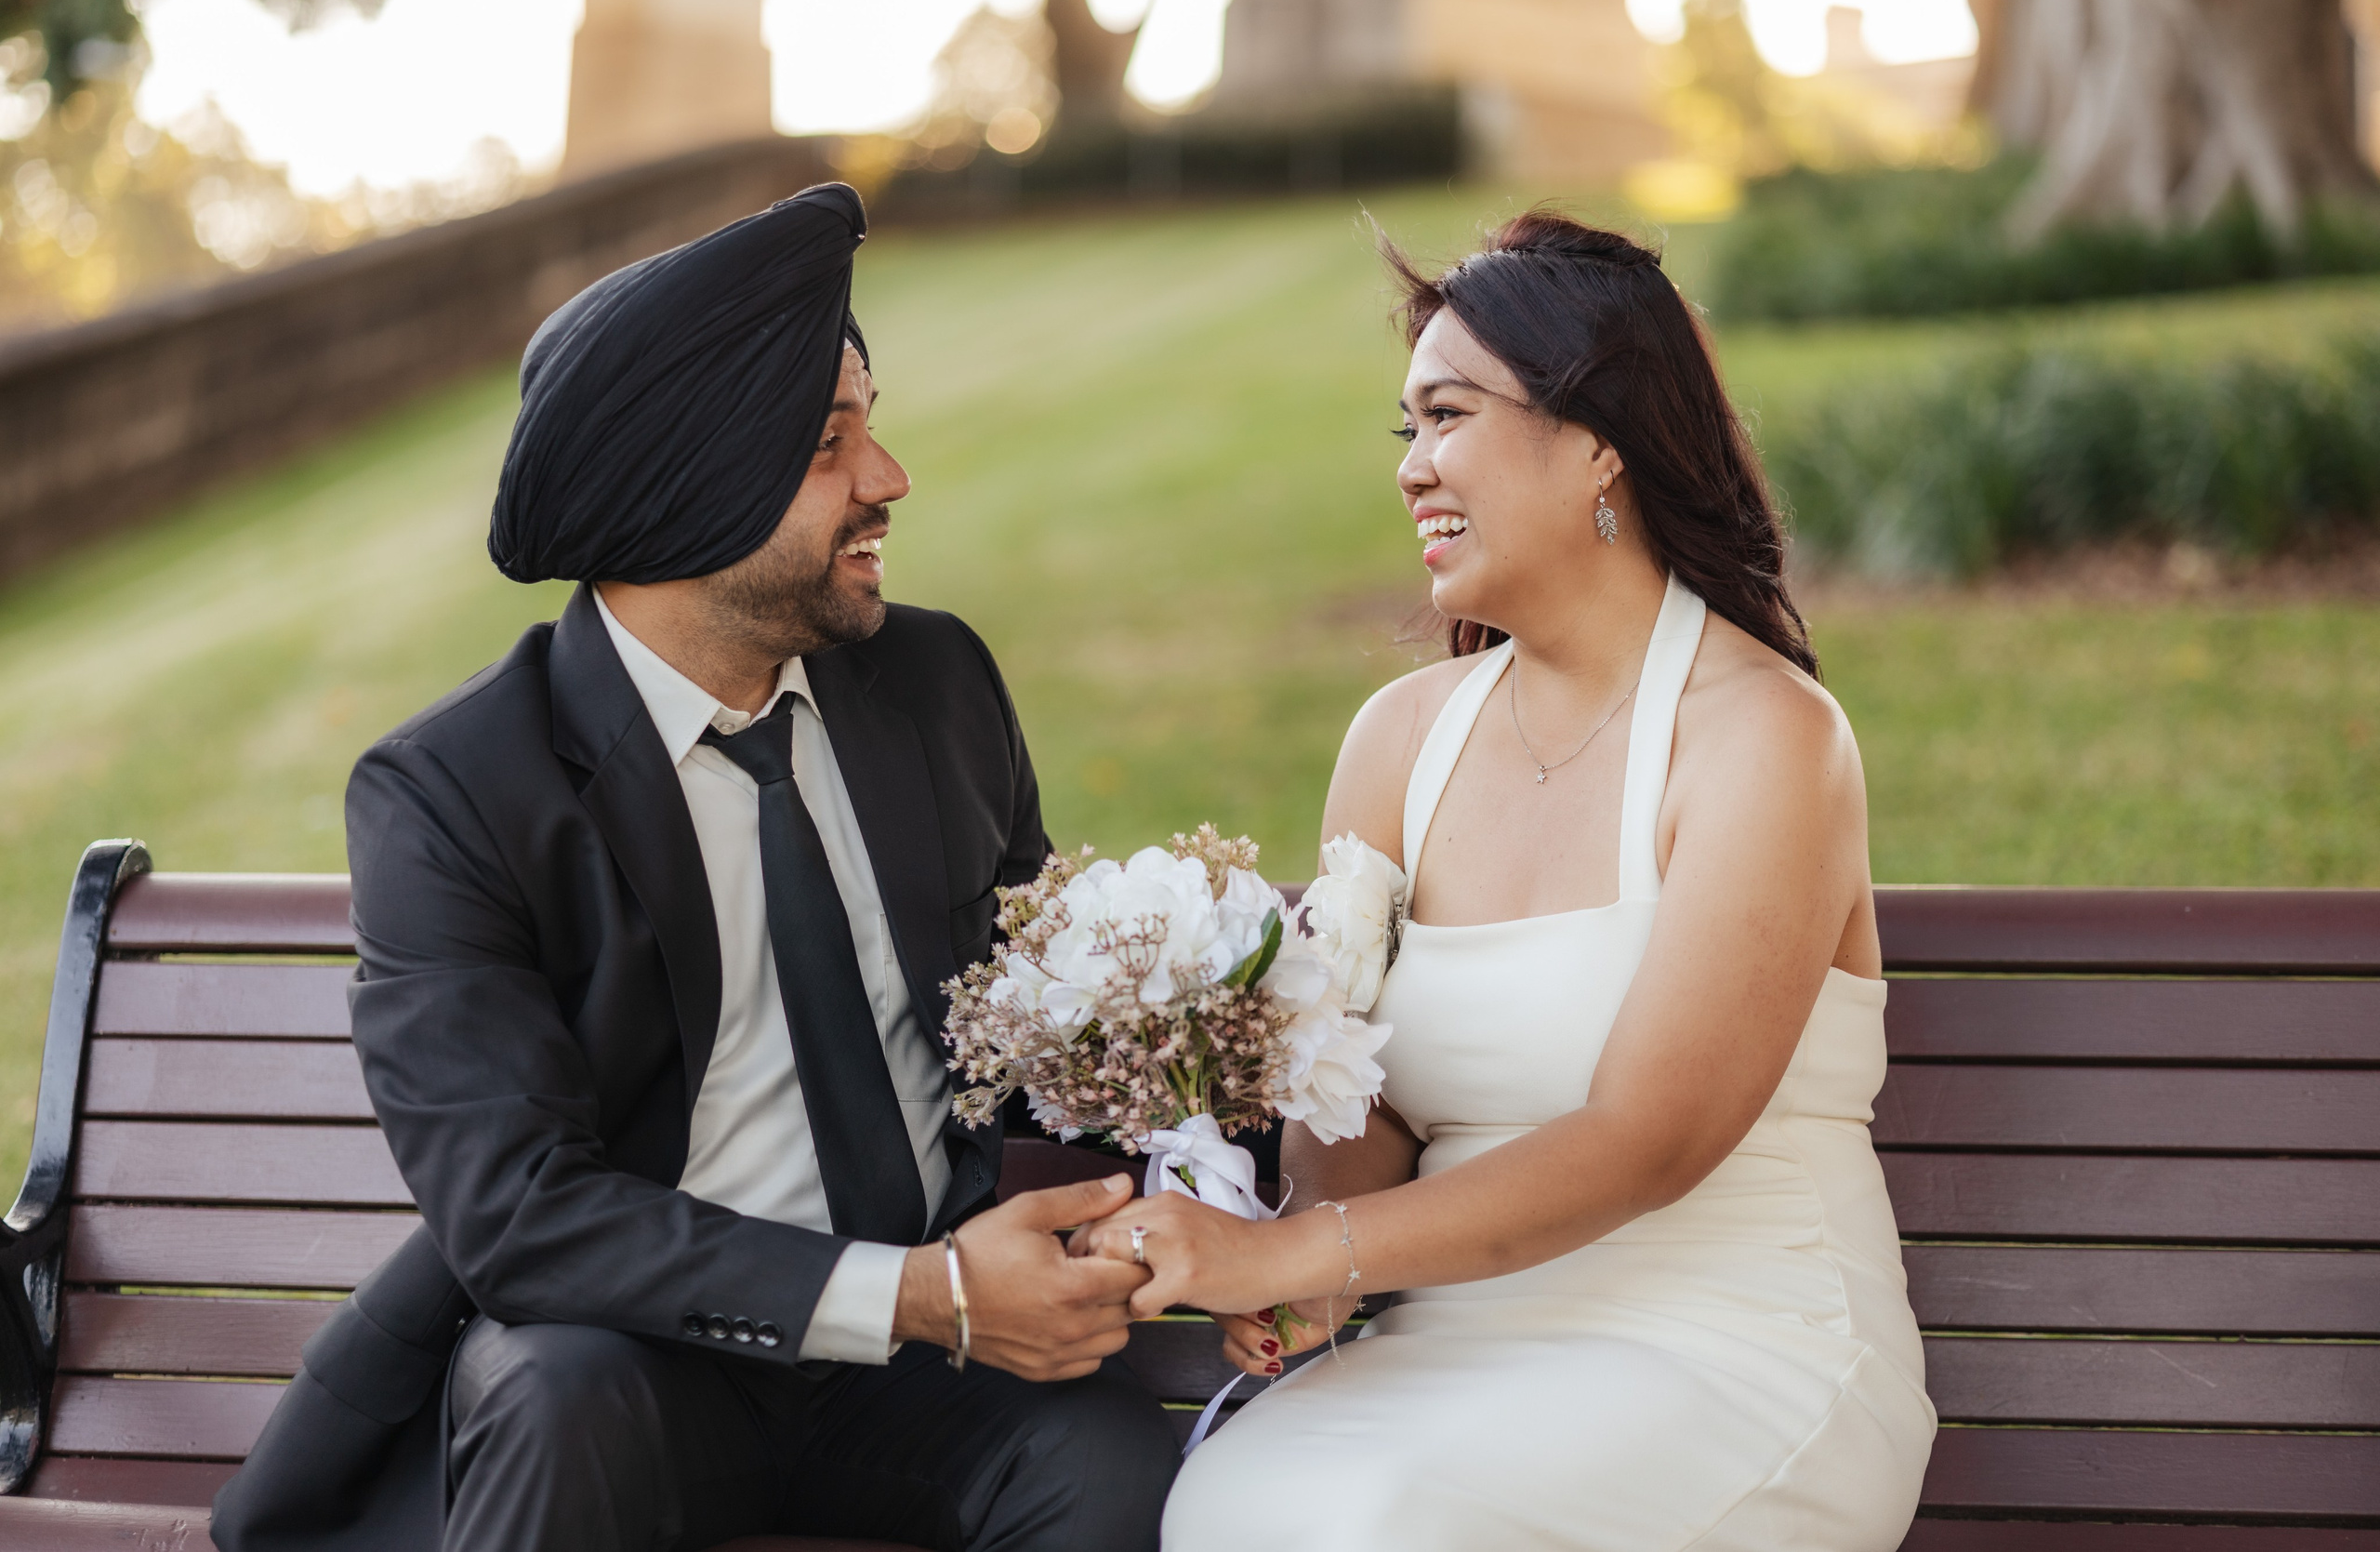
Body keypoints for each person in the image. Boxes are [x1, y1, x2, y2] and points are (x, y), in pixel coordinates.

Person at [212, 182, 1179, 1552]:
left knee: (1111, 1472)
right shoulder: (457, 794)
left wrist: (1226, 1181)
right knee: (555, 1390)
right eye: (833, 442)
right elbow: (520, 1216)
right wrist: (916, 1291)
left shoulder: (934, 683)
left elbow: (1051, 1030)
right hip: (638, 1356)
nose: (890, 477)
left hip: (929, 1376)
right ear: (689, 490)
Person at [1076, 211, 1937, 1549]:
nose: (1415, 467)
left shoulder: (1765, 738)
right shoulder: (1398, 743)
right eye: (1406, 432)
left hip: (1730, 1346)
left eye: (1449, 417)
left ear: (1602, 440)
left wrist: (1307, 1255)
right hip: (1446, 1342)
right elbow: (1354, 1130)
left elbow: (1650, 1138)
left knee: (1381, 1528)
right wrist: (1270, 1228)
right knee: (1235, 1507)